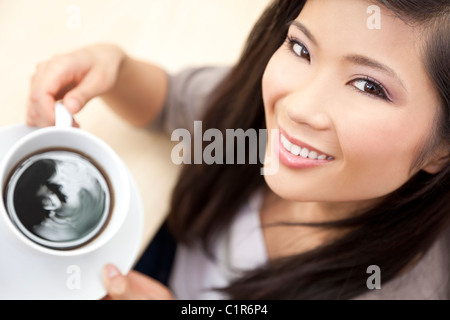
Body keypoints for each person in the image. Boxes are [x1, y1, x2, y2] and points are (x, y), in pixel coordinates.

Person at [27, 0, 450, 300]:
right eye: (301, 48)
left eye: (368, 86)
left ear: (442, 149)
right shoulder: (251, 117)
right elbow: (173, 102)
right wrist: (114, 66)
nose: (297, 107)